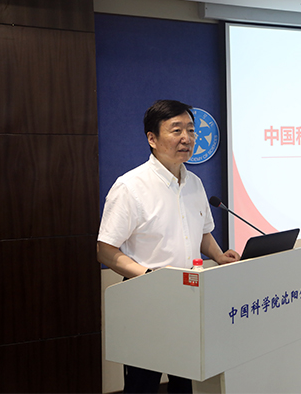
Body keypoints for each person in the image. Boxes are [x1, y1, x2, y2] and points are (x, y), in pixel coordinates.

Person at [97, 99, 240, 393]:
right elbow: (105, 250)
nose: (186, 138)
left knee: (184, 379)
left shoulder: (194, 183)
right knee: (143, 383)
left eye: (191, 130)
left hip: (188, 296)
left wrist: (219, 256)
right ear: (152, 138)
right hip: (145, 297)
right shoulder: (130, 187)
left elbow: (202, 233)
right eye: (176, 130)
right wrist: (150, 276)